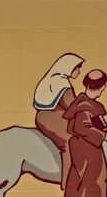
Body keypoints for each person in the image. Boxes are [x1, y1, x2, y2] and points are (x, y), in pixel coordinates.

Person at [60, 69, 107, 197]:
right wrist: (104, 136)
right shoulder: (85, 106)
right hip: (88, 148)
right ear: (102, 87)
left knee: (77, 183)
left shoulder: (84, 103)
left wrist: (105, 132)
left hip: (83, 147)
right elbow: (83, 127)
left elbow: (98, 124)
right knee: (99, 182)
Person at [33, 53, 84, 190]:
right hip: (50, 116)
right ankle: (67, 182)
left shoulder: (58, 79)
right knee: (69, 141)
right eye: (77, 68)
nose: (79, 71)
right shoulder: (61, 82)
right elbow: (71, 106)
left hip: (56, 115)